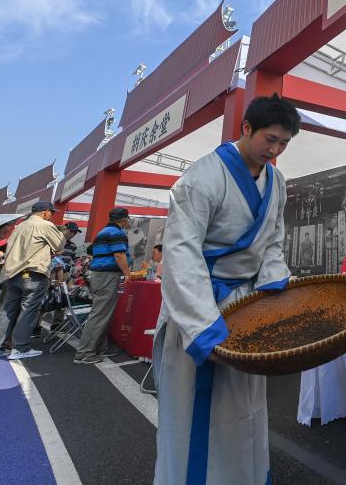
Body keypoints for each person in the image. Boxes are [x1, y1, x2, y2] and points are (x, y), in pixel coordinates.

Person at [154, 94, 299, 484]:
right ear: (246, 128)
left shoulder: (277, 181)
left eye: (284, 143)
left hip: (246, 307)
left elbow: (273, 241)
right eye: (270, 139)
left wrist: (272, 289)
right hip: (202, 307)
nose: (275, 150)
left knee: (245, 408)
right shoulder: (201, 179)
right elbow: (181, 253)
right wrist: (204, 327)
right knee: (193, 413)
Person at [0, 201, 67, 361]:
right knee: (28, 311)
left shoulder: (19, 226)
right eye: (52, 212)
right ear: (45, 212)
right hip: (33, 273)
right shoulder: (45, 225)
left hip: (12, 273)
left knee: (6, 310)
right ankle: (20, 347)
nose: (52, 215)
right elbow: (60, 244)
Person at [74, 208, 132, 363]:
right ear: (124, 220)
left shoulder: (103, 232)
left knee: (103, 313)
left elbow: (92, 250)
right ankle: (85, 353)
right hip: (107, 276)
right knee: (100, 314)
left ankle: (99, 348)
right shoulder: (117, 233)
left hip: (100, 275)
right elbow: (119, 255)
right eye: (128, 219)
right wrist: (127, 273)